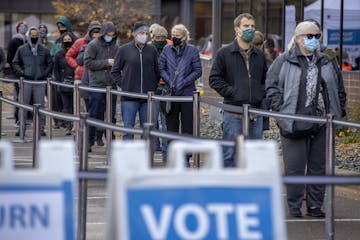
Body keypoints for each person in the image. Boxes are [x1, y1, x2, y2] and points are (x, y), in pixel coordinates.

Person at [266, 21, 347, 218]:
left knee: (318, 167)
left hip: (322, 122)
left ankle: (314, 206)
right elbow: (271, 86)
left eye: (316, 36)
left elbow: (338, 88)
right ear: (298, 37)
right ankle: (294, 206)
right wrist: (280, 111)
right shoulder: (284, 60)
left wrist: (338, 110)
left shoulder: (327, 61)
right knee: (294, 168)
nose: (313, 40)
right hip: (293, 121)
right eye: (309, 36)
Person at [209, 13, 267, 167]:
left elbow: (266, 80)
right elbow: (214, 79)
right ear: (237, 29)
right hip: (233, 113)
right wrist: (233, 92)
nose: (250, 29)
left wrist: (260, 93)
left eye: (252, 26)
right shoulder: (224, 53)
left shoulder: (259, 55)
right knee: (230, 155)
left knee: (255, 156)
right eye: (246, 26)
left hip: (255, 113)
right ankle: (229, 188)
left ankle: (253, 189)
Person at [158, 23, 202, 165]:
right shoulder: (166, 49)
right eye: (173, 35)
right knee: (171, 127)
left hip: (188, 93)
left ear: (184, 36)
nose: (175, 37)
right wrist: (169, 80)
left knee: (187, 127)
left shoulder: (192, 50)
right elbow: (161, 67)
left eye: (177, 35)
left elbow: (197, 70)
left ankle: (185, 157)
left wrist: (184, 82)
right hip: (172, 94)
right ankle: (173, 156)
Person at [111, 22, 159, 140]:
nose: (144, 36)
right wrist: (124, 85)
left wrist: (153, 85)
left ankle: (145, 156)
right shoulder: (124, 50)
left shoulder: (152, 50)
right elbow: (115, 71)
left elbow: (157, 71)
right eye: (142, 33)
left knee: (147, 130)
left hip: (147, 97)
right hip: (129, 97)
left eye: (146, 33)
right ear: (135, 34)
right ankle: (128, 157)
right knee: (128, 129)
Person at [66, 21, 103, 144]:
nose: (96, 35)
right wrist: (76, 66)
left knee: (99, 111)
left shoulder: (105, 44)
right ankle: (85, 136)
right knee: (85, 109)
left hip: (99, 81)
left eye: (98, 32)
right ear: (90, 33)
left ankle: (98, 135)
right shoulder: (80, 43)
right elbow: (72, 57)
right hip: (83, 79)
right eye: (94, 32)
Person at [12, 26, 53, 136]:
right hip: (26, 81)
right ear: (29, 36)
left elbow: (50, 63)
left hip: (39, 82)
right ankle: (21, 128)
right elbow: (15, 62)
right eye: (32, 35)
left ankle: (41, 128)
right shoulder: (22, 49)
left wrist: (44, 74)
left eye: (36, 35)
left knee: (40, 106)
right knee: (23, 106)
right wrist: (22, 73)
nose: (34, 37)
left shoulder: (44, 50)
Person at [84, 21, 118, 151]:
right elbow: (87, 63)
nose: (111, 36)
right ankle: (89, 141)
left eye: (113, 34)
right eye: (109, 34)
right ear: (103, 33)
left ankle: (111, 141)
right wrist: (106, 63)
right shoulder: (93, 45)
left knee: (111, 115)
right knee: (93, 114)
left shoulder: (115, 46)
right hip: (97, 85)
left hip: (111, 85)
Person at [50, 16, 76, 129]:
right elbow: (53, 57)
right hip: (60, 77)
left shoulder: (75, 39)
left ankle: (71, 123)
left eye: (63, 26)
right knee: (58, 101)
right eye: (59, 26)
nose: (61, 28)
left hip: (74, 78)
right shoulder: (57, 41)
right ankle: (60, 121)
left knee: (73, 104)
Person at [151, 25, 171, 160]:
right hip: (152, 88)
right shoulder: (148, 49)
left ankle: (166, 153)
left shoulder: (169, 49)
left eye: (163, 37)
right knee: (151, 121)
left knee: (166, 123)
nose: (160, 39)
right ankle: (150, 152)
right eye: (157, 37)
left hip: (166, 88)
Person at [6, 21, 28, 126]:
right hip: (18, 73)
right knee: (19, 96)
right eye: (22, 27)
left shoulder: (28, 41)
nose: (24, 28)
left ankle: (25, 118)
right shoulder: (14, 41)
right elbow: (10, 58)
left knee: (27, 97)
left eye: (25, 27)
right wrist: (17, 69)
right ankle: (17, 119)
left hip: (27, 73)